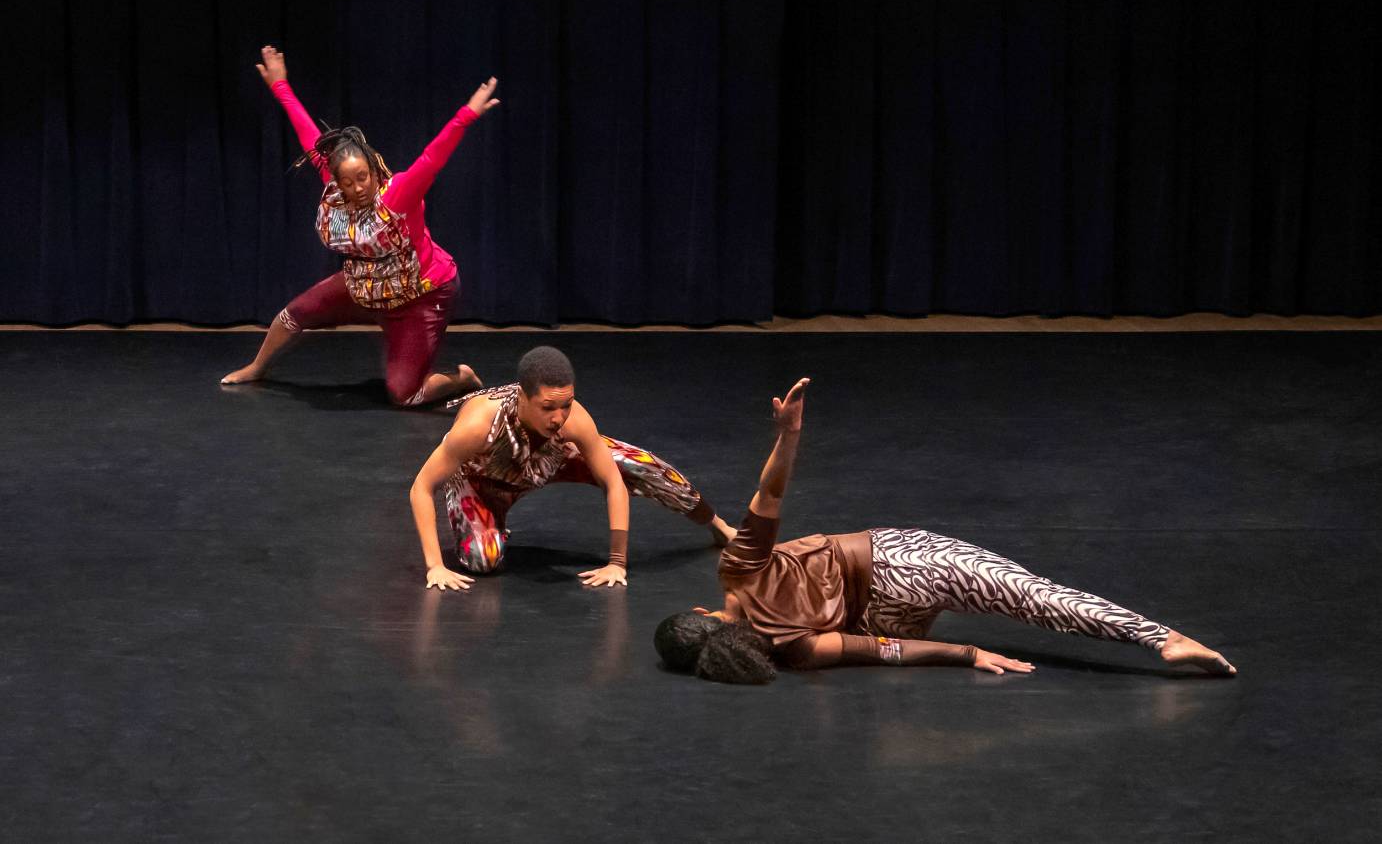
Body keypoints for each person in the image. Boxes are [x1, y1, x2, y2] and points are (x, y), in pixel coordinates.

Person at [655, 378, 1237, 684]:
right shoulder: (737, 568)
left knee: (991, 608)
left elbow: (886, 649)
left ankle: (1160, 641)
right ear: (703, 613)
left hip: (889, 617)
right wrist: (788, 434)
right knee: (1034, 596)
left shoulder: (794, 654)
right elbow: (770, 495)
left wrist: (969, 653)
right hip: (900, 561)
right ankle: (1159, 638)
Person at [221, 45, 497, 406]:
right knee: (294, 314)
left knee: (405, 395)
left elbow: (432, 158)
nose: (357, 188)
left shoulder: (397, 196)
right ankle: (257, 366)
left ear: (371, 167)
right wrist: (280, 86)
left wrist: (466, 115)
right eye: (348, 182)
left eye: (362, 177)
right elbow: (308, 136)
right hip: (366, 285)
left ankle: (462, 376)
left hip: (421, 293)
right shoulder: (337, 194)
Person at [410, 346, 738, 590]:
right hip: (482, 479)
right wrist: (435, 567)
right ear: (522, 397)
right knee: (483, 561)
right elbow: (421, 488)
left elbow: (613, 482)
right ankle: (494, 524)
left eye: (565, 405)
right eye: (548, 407)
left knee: (644, 466)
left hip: (550, 460)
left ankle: (717, 525)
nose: (559, 416)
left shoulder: (572, 420)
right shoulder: (478, 426)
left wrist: (617, 563)